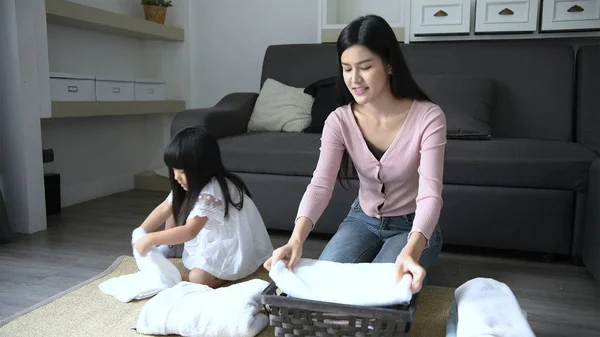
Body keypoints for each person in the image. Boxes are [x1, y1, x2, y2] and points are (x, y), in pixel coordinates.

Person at [264, 14, 446, 294]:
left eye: (365, 67)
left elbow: (431, 193)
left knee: (383, 289)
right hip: (362, 220)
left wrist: (413, 246)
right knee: (325, 285)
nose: (354, 79)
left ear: (388, 64)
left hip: (412, 224)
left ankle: (414, 270)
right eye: (346, 69)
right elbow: (321, 184)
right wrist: (296, 239)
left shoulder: (428, 117)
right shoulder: (339, 120)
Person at [133, 127, 274, 288]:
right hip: (210, 232)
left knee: (197, 277)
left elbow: (189, 231)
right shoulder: (190, 182)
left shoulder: (212, 191)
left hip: (232, 241)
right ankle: (168, 247)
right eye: (173, 170)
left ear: (202, 167)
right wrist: (141, 231)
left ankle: (224, 275)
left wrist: (151, 239)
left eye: (181, 171)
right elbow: (164, 208)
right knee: (175, 203)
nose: (176, 177)